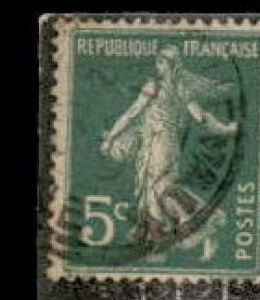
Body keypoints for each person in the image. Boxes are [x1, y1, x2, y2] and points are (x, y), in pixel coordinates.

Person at [99, 45, 238, 256]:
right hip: (161, 144)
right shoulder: (181, 88)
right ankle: (174, 236)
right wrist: (225, 128)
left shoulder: (154, 86)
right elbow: (200, 117)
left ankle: (195, 226)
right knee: (154, 190)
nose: (158, 66)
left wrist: (110, 137)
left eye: (161, 62)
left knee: (158, 189)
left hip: (159, 144)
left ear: (170, 65)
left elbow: (131, 114)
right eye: (158, 62)